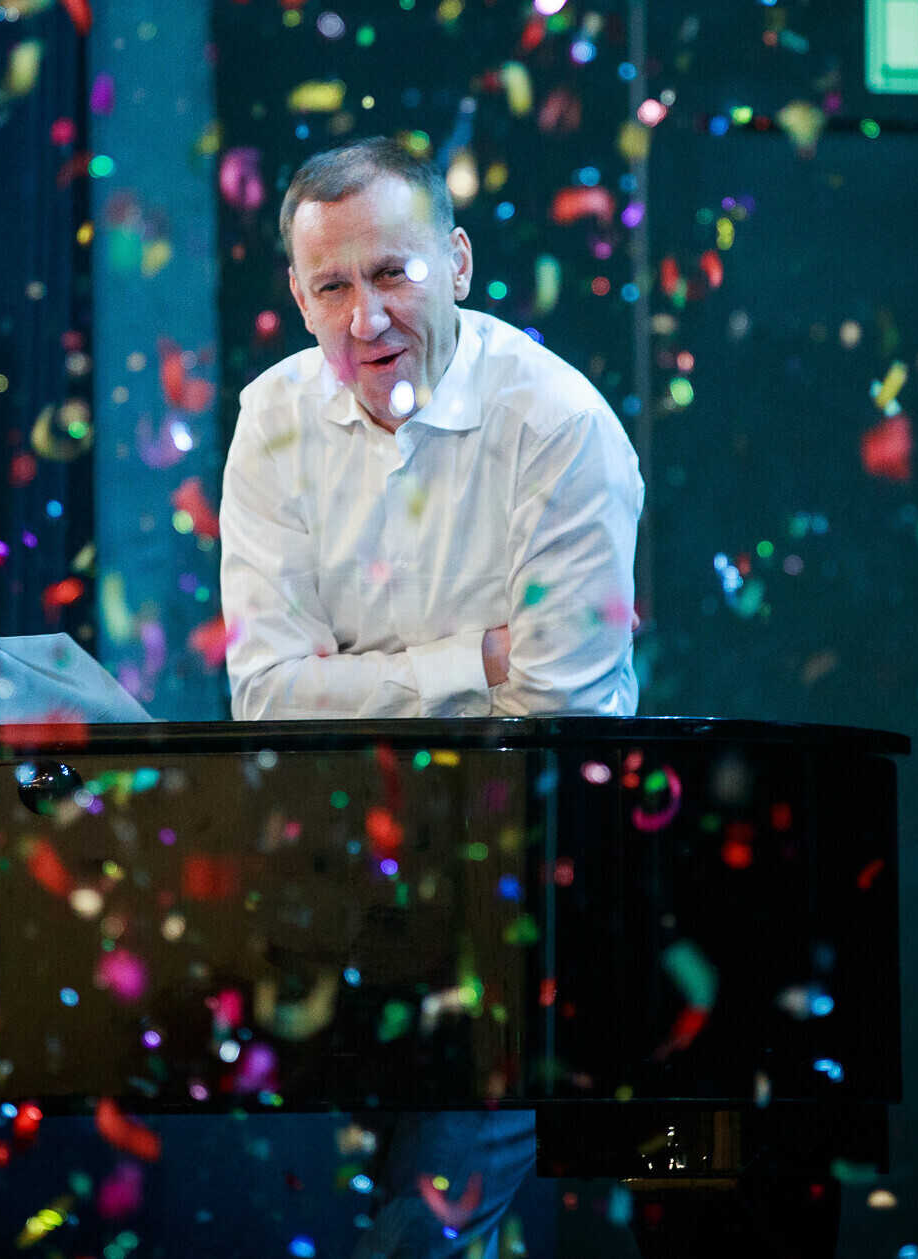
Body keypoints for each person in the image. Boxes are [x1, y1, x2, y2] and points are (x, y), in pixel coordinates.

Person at [219, 136, 644, 1258]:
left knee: (417, 1229)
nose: (365, 318)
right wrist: (473, 662)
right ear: (298, 295)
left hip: (521, 892)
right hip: (337, 884)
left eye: (392, 273)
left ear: (456, 261)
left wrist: (356, 682)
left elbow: (554, 718)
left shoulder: (559, 426)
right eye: (332, 286)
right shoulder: (271, 419)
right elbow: (265, 697)